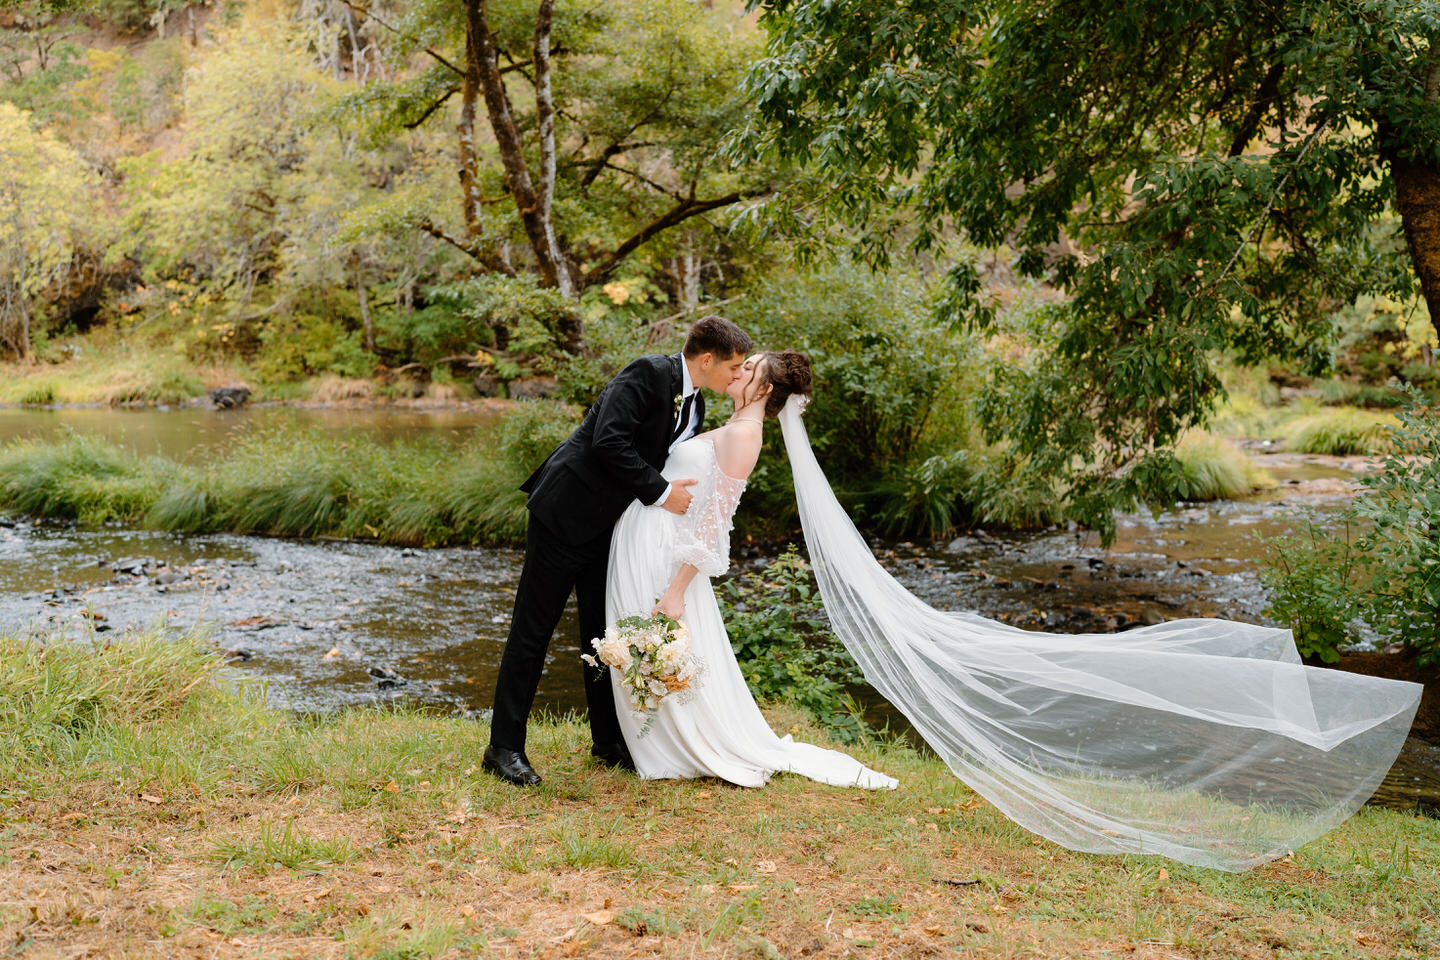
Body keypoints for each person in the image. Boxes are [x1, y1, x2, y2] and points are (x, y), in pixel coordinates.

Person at [606, 350, 897, 789]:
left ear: (763, 389)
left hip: (670, 560)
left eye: (748, 369)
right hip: (649, 543)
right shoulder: (733, 426)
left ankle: (673, 745)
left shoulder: (745, 436)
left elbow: (714, 523)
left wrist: (677, 591)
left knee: (657, 644)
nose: (737, 371)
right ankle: (649, 740)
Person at [483, 316, 752, 787]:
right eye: (734, 366)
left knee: (599, 635)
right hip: (564, 515)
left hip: (610, 529)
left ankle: (607, 741)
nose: (737, 375)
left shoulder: (697, 404)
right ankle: (503, 747)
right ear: (707, 359)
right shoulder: (648, 373)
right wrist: (662, 493)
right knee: (533, 631)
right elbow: (609, 442)